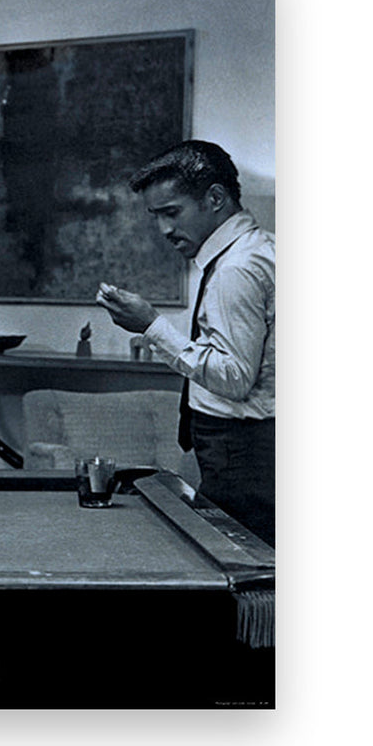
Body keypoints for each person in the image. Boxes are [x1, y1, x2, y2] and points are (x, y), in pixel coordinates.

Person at [96, 139, 275, 544]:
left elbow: (234, 378)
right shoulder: (262, 249)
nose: (164, 229)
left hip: (243, 457)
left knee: (241, 570)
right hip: (252, 450)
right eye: (156, 216)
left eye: (172, 213)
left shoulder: (236, 269)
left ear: (215, 198)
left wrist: (151, 326)